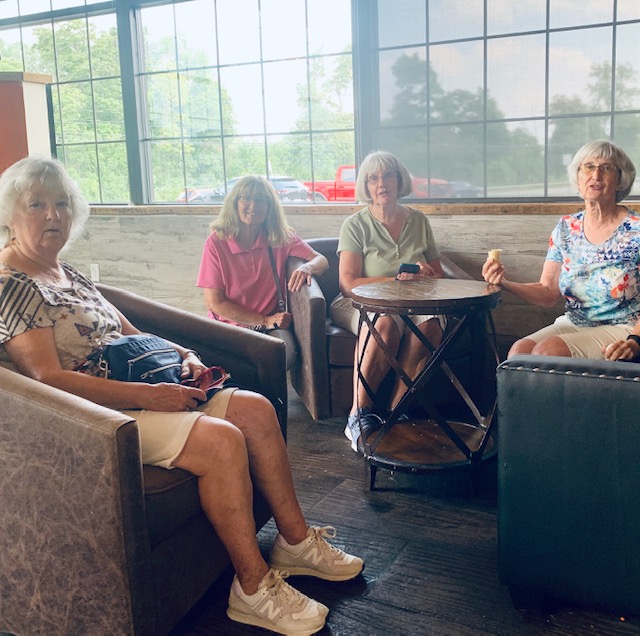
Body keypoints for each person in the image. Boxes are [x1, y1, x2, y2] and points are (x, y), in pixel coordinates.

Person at [0, 157, 363, 635]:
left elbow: (133, 333)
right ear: (10, 213)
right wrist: (149, 397)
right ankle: (252, 588)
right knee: (221, 441)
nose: (53, 215)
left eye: (62, 204)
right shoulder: (12, 284)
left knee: (255, 409)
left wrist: (186, 356)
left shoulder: (66, 273)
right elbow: (48, 380)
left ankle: (294, 543)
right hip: (96, 416)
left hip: (142, 386)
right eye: (37, 205)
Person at [329, 150, 446, 452]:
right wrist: (393, 280)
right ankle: (359, 413)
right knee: (385, 325)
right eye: (373, 178)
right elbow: (347, 283)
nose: (381, 183)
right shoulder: (355, 225)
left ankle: (397, 410)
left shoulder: (419, 221)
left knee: (432, 326)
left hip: (411, 301)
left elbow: (438, 274)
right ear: (366, 186)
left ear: (399, 180)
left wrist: (425, 274)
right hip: (359, 301)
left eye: (388, 176)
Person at [482, 139, 639, 362]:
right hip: (575, 322)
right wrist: (503, 282)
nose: (596, 175)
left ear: (620, 179)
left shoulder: (636, 230)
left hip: (624, 329)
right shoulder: (567, 227)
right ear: (578, 177)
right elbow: (548, 292)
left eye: (606, 168)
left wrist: (635, 341)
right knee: (519, 353)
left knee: (547, 352)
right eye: (588, 167)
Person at [197, 175, 329, 370]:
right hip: (229, 326)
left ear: (269, 206)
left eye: (260, 200)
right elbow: (214, 303)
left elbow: (322, 260)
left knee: (282, 354)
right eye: (246, 198)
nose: (253, 205)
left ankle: (269, 391)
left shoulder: (280, 237)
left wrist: (306, 267)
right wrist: (264, 321)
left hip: (272, 327)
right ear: (234, 203)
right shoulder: (217, 242)